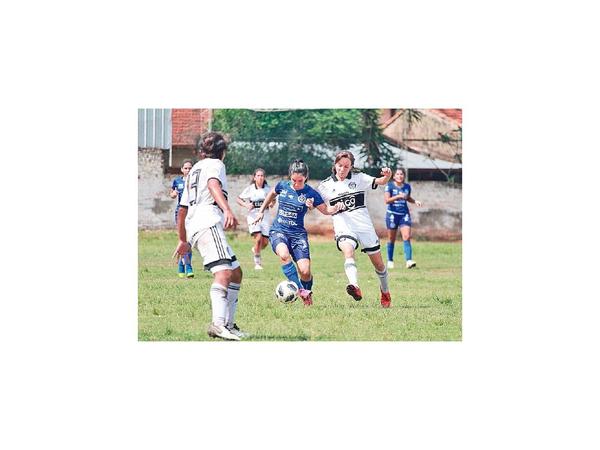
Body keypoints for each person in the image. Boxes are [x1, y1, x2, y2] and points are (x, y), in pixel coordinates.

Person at [174, 132, 247, 340]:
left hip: (196, 226)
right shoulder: (216, 164)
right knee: (223, 273)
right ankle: (218, 324)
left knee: (236, 273)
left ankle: (229, 325)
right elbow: (213, 185)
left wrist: (182, 239)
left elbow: (182, 209)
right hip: (208, 222)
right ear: (222, 152)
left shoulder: (193, 170)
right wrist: (227, 210)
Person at [252, 160, 345, 306]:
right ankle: (302, 291)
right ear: (289, 176)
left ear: (306, 177)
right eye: (293, 180)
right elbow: (271, 194)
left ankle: (307, 297)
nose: (296, 183)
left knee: (305, 271)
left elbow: (326, 210)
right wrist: (260, 211)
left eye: (299, 181)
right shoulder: (282, 185)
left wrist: (336, 207)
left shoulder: (311, 193)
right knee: (283, 255)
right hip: (279, 230)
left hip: (298, 235)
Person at [317, 150, 393, 308]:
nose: (342, 169)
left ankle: (385, 291)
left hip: (364, 226)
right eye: (340, 166)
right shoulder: (324, 186)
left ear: (351, 167)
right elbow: (323, 208)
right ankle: (354, 286)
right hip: (343, 225)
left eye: (346, 166)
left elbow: (381, 181)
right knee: (348, 252)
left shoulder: (359, 178)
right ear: (335, 165)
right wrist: (328, 209)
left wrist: (387, 175)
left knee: (379, 265)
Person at [384, 167, 422, 269]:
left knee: (407, 236)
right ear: (394, 176)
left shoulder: (407, 187)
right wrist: (398, 196)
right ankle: (390, 261)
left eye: (402, 174)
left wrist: (415, 201)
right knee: (391, 239)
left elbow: (407, 197)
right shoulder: (389, 186)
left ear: (404, 176)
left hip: (404, 214)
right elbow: (387, 200)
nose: (400, 176)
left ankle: (409, 261)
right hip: (392, 215)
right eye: (398, 174)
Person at [236, 168, 273, 270]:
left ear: (264, 177)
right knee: (258, 239)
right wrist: (246, 205)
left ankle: (255, 249)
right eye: (258, 175)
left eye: (262, 176)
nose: (260, 177)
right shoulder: (250, 188)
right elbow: (238, 199)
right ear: (254, 177)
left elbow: (273, 200)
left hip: (265, 216)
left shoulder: (268, 189)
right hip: (253, 216)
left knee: (265, 242)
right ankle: (257, 263)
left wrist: (272, 203)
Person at [170, 159, 194, 278]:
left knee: (189, 241)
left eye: (190, 168)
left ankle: (181, 265)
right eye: (186, 168)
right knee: (183, 240)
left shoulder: (196, 182)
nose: (188, 170)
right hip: (180, 212)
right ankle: (188, 267)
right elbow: (172, 193)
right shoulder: (177, 181)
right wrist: (173, 194)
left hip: (193, 213)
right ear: (182, 170)